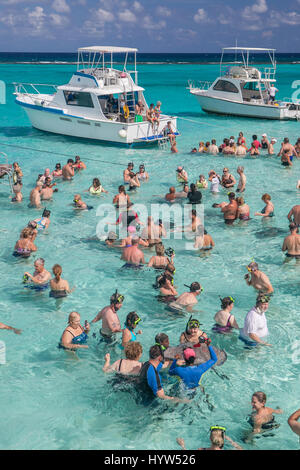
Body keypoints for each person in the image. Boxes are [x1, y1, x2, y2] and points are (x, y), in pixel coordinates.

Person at [177, 425, 243, 451]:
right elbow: (240, 449)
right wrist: (230, 441)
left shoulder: (201, 449)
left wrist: (182, 445)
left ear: (210, 438)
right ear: (222, 440)